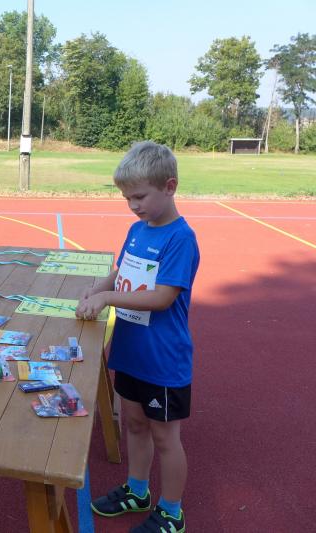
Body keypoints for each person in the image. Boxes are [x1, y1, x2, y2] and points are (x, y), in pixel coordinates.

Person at [75, 141, 199, 533]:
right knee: (133, 423)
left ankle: (171, 512)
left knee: (165, 437)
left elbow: (162, 297)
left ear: (170, 186)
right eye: (127, 198)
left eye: (140, 197)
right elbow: (123, 271)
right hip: (130, 351)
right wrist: (98, 287)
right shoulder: (137, 229)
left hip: (162, 360)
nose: (133, 205)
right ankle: (138, 489)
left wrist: (108, 298)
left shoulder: (180, 239)